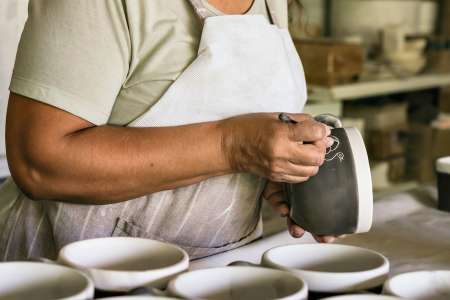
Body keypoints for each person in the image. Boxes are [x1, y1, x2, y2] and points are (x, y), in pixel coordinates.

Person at [1, 0, 335, 261]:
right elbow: (39, 163)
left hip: (220, 270)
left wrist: (275, 166)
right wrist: (233, 147)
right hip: (77, 276)